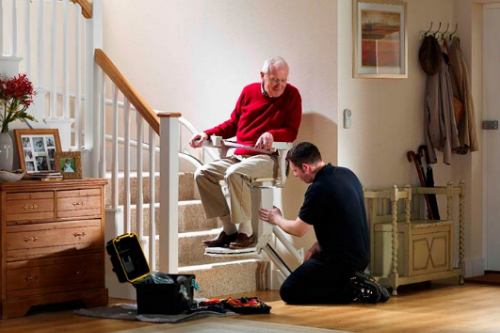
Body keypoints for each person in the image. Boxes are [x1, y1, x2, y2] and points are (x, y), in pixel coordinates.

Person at [189, 56, 302, 249]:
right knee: (202, 174)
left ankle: (246, 231)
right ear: (262, 76)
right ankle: (229, 230)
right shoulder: (248, 92)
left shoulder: (292, 95)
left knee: (235, 173)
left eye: (284, 80)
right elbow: (233, 124)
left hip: (270, 160)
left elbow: (291, 131)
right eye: (275, 80)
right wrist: (207, 133)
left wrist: (272, 134)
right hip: (241, 156)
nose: (280, 86)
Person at [258, 142, 390, 304]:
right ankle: (354, 281)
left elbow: (298, 230)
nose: (295, 175)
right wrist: (319, 243)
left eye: (295, 170)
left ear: (306, 167)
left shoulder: (319, 188)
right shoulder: (347, 174)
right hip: (360, 257)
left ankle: (358, 290)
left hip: (338, 260)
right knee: (313, 280)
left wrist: (276, 218)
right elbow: (343, 219)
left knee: (289, 291)